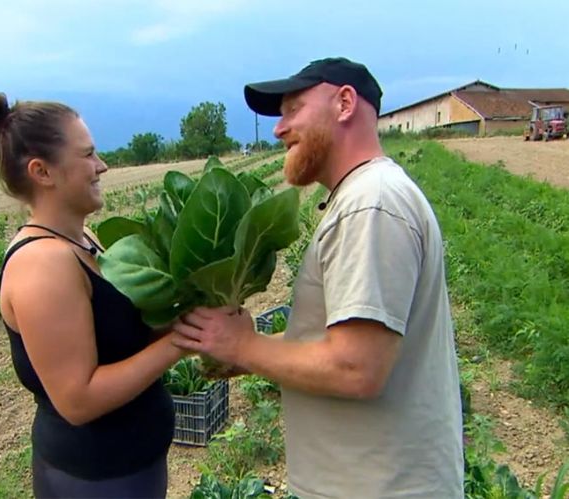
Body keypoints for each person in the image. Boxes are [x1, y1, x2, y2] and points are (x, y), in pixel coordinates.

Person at [172, 57, 465, 498]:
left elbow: (355, 369)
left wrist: (243, 345)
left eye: (293, 110)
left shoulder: (371, 204)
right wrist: (258, 351)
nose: (278, 128)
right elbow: (345, 346)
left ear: (344, 103)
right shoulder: (364, 195)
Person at [0, 93, 183, 498]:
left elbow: (121, 341)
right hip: (95, 481)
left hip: (129, 468)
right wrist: (180, 342)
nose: (101, 165)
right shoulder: (43, 264)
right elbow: (79, 399)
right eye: (87, 155)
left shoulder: (83, 239)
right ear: (42, 172)